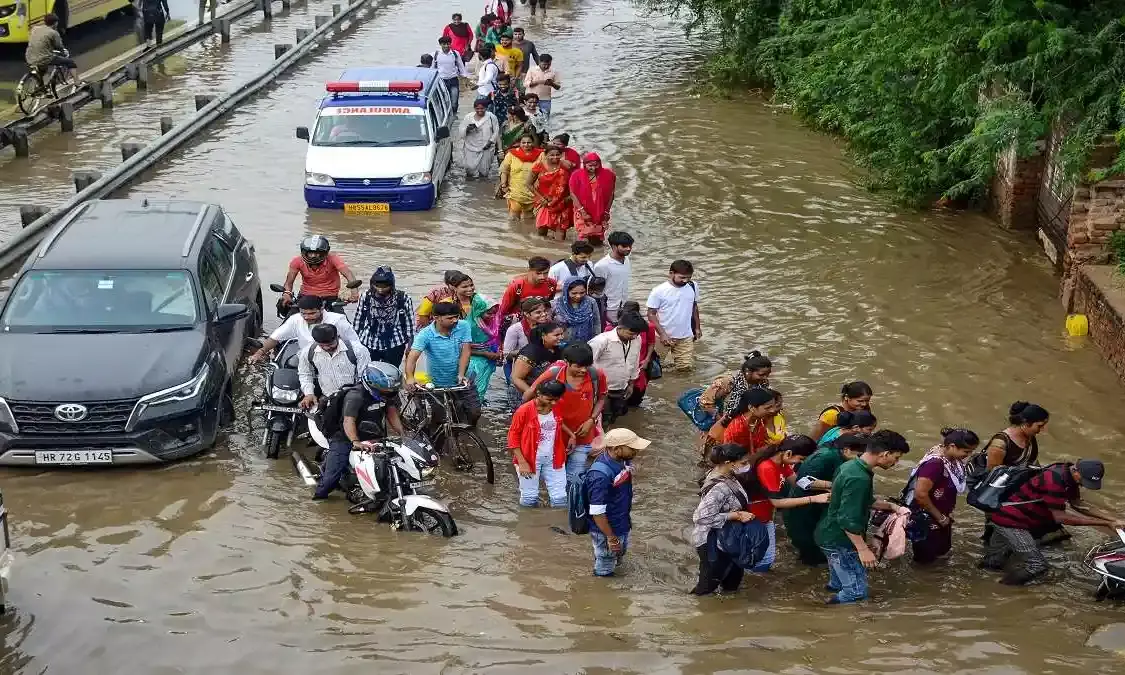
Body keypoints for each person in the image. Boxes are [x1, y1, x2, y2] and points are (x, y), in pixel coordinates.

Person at [982, 458, 1122, 584]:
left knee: (993, 563)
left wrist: (1114, 519)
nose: (1084, 485)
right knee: (1037, 566)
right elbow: (1062, 518)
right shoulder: (1054, 480)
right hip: (1012, 522)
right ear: (1076, 470)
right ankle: (1002, 588)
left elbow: (1078, 504)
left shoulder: (1068, 475)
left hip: (1014, 517)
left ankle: (985, 584)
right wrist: (1105, 523)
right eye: (1085, 481)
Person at [816, 430, 912, 604]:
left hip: (828, 533)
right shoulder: (859, 478)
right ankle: (817, 611)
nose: (895, 463)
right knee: (856, 594)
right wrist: (863, 549)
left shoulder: (851, 466)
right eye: (896, 458)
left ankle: (824, 601)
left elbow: (863, 500)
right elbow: (847, 519)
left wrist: (892, 506)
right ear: (885, 454)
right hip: (840, 540)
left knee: (838, 583)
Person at [312, 362, 406, 500]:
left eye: (391, 392)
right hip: (344, 436)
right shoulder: (355, 396)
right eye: (386, 392)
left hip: (372, 432)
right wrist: (355, 441)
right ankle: (320, 494)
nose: (389, 394)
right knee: (330, 480)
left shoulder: (389, 394)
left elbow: (392, 414)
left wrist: (402, 435)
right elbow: (348, 420)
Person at [740, 436, 832, 571]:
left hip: (764, 513)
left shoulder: (781, 462)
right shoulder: (768, 467)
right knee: (763, 559)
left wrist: (829, 485)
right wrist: (815, 498)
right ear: (788, 453)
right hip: (755, 515)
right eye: (801, 459)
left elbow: (799, 482)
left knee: (762, 556)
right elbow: (777, 502)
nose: (800, 462)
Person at [526, 343, 608, 484]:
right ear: (566, 363)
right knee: (549, 478)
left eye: (586, 366)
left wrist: (591, 420)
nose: (583, 370)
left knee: (574, 478)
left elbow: (602, 397)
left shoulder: (596, 375)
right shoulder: (553, 374)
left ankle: (570, 505)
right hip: (552, 436)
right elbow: (528, 396)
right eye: (578, 366)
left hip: (582, 434)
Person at [784, 432, 870, 565]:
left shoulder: (840, 455)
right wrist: (834, 485)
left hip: (819, 505)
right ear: (846, 450)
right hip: (803, 509)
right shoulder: (824, 457)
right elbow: (802, 481)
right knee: (811, 550)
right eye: (859, 455)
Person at [903, 428, 979, 565]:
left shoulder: (948, 455)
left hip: (941, 515)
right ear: (952, 446)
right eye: (966, 452)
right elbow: (920, 494)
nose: (968, 455)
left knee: (942, 553)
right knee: (926, 559)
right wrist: (940, 517)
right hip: (928, 517)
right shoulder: (935, 464)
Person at [691, 443, 756, 595]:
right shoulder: (719, 487)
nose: (747, 466)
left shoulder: (727, 475)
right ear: (729, 463)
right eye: (743, 463)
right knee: (707, 586)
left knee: (733, 579)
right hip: (712, 540)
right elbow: (700, 517)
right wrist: (736, 515)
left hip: (728, 536)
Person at [587, 428, 649, 577]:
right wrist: (610, 537)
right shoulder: (600, 475)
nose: (636, 451)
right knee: (605, 565)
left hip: (621, 522)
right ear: (616, 449)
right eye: (632, 448)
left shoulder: (620, 460)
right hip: (607, 529)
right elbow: (597, 512)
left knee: (616, 556)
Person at [508, 380, 569, 508]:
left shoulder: (557, 406)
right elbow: (513, 437)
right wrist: (522, 462)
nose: (553, 403)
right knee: (529, 498)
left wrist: (572, 435)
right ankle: (529, 526)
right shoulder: (524, 411)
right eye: (549, 399)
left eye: (556, 400)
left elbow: (558, 422)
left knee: (560, 499)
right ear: (538, 394)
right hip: (529, 459)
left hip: (554, 457)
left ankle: (554, 524)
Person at [249, 295, 360, 362]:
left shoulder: (338, 320)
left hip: (335, 360)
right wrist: (260, 352)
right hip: (307, 360)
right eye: (304, 313)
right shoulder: (296, 319)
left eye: (312, 313)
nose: (307, 317)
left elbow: (355, 344)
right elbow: (276, 337)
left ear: (321, 309)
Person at [588, 312, 645, 425]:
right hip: (601, 390)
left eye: (637, 333)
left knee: (615, 416)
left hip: (621, 388)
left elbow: (635, 362)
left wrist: (631, 384)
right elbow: (586, 364)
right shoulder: (601, 341)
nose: (634, 336)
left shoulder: (636, 339)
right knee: (601, 420)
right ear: (620, 327)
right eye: (631, 333)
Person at [297, 324, 372, 408]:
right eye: (322, 345)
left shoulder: (358, 350)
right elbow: (305, 373)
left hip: (354, 399)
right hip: (328, 399)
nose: (327, 348)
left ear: (338, 336)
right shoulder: (308, 352)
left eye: (330, 344)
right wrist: (309, 393)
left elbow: (365, 377)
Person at [351, 267, 415, 366]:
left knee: (392, 373)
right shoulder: (365, 296)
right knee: (369, 372)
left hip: (395, 343)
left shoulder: (403, 298)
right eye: (377, 286)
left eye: (385, 286)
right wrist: (355, 345)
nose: (380, 290)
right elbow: (358, 321)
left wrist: (410, 348)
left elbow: (410, 325)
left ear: (392, 285)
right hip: (369, 341)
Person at [646, 259, 701, 371]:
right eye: (682, 277)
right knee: (654, 369)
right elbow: (651, 314)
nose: (685, 280)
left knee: (685, 369)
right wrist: (662, 334)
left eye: (688, 277)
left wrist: (697, 327)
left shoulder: (693, 286)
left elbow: (694, 306)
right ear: (671, 273)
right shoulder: (659, 291)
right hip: (661, 337)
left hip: (685, 336)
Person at [404, 302, 472, 391]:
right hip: (435, 382)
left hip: (463, 379)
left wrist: (461, 374)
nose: (455, 320)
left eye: (457, 317)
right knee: (438, 405)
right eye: (450, 318)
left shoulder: (464, 325)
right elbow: (412, 357)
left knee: (471, 404)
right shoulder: (425, 334)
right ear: (436, 318)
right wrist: (410, 378)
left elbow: (466, 351)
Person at [282, 236, 359, 311]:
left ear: (324, 252)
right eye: (310, 253)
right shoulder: (297, 261)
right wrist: (287, 294)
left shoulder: (333, 259)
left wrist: (354, 292)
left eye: (316, 253)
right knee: (289, 314)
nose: (313, 256)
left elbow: (348, 274)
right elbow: (289, 283)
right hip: (306, 295)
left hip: (330, 296)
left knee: (341, 321)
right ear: (304, 252)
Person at [509, 321, 564, 412]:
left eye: (562, 334)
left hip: (544, 394)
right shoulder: (530, 352)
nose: (561, 337)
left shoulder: (556, 349)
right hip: (523, 392)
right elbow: (516, 378)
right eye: (556, 335)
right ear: (543, 336)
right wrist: (535, 396)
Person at [569, 152, 616, 245]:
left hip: (601, 211)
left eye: (596, 165)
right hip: (582, 209)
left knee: (597, 240)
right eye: (590, 165)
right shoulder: (576, 175)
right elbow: (573, 194)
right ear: (585, 164)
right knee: (583, 237)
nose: (593, 168)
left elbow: (611, 194)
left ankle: (597, 257)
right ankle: (581, 256)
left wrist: (606, 211)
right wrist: (582, 211)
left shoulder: (608, 175)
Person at [502, 297, 550, 385]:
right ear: (527, 314)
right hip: (517, 366)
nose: (544, 314)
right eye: (538, 312)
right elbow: (506, 355)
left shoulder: (548, 326)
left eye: (544, 311)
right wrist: (527, 353)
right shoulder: (515, 329)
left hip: (540, 366)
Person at [529, 143, 572, 239]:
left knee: (560, 236)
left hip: (562, 204)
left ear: (561, 155)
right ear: (545, 155)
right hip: (544, 204)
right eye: (552, 154)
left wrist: (567, 199)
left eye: (558, 154)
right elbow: (528, 184)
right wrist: (540, 198)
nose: (555, 157)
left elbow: (573, 185)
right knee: (541, 234)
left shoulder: (566, 166)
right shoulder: (539, 166)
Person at [466, 296, 503, 403]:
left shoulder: (493, 321)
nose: (492, 316)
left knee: (482, 386)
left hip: (488, 357)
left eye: (494, 313)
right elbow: (461, 349)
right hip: (474, 360)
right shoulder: (469, 326)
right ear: (478, 311)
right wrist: (485, 354)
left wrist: (497, 351)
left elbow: (495, 338)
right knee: (475, 388)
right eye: (488, 313)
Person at [620, 302, 656, 408]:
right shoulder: (613, 329)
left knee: (637, 396)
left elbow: (651, 343)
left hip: (640, 365)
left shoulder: (646, 327)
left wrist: (647, 360)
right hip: (621, 367)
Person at [498, 132, 542, 220]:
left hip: (532, 192)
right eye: (523, 142)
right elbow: (504, 170)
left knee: (528, 217)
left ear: (533, 143)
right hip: (515, 191)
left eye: (529, 142)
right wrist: (503, 185)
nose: (526, 145)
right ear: (519, 143)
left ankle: (524, 233)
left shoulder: (540, 155)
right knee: (513, 217)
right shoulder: (512, 154)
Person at [25, 14, 78, 86]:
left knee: (42, 69)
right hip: (43, 58)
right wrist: (64, 52)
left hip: (29, 56)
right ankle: (77, 83)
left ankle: (40, 87)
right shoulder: (53, 33)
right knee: (70, 62)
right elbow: (59, 46)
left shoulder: (35, 28)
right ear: (56, 23)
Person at [592, 231, 633, 323]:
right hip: (609, 308)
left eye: (630, 246)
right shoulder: (602, 265)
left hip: (624, 305)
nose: (628, 249)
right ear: (614, 246)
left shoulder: (626, 259)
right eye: (624, 246)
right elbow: (596, 291)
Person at [721, 388, 777, 453]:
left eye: (773, 406)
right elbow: (728, 455)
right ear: (751, 408)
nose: (773, 410)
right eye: (768, 407)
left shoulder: (759, 420)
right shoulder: (736, 428)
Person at [721, 350, 773, 417]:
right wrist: (720, 421)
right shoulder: (728, 381)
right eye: (761, 374)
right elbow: (707, 402)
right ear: (748, 371)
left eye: (768, 374)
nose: (765, 378)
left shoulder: (763, 382)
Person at [553, 277, 601, 345]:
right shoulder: (556, 304)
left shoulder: (591, 302)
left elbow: (596, 322)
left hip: (586, 342)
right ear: (566, 291)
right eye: (574, 293)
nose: (578, 296)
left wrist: (596, 339)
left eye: (582, 293)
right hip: (562, 343)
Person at [461, 98, 501, 179]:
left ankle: (482, 185)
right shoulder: (468, 117)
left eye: (482, 108)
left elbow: (496, 131)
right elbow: (461, 131)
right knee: (469, 170)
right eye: (477, 108)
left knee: (484, 172)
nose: (480, 110)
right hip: (470, 147)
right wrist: (468, 129)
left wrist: (490, 142)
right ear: (474, 108)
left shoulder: (491, 117)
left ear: (486, 108)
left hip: (486, 148)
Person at [433, 36, 470, 115]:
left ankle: (454, 115)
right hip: (441, 82)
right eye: (444, 44)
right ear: (440, 44)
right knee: (443, 101)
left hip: (453, 80)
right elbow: (432, 68)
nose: (446, 46)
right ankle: (445, 115)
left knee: (454, 101)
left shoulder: (455, 53)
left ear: (450, 44)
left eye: (448, 44)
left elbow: (461, 66)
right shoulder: (436, 54)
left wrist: (465, 77)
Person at [524, 54, 560, 118]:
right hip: (531, 99)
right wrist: (538, 82)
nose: (546, 66)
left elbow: (558, 87)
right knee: (530, 118)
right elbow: (525, 84)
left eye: (549, 64)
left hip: (545, 99)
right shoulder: (532, 70)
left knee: (545, 119)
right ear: (539, 62)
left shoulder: (553, 72)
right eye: (544, 64)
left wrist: (552, 84)